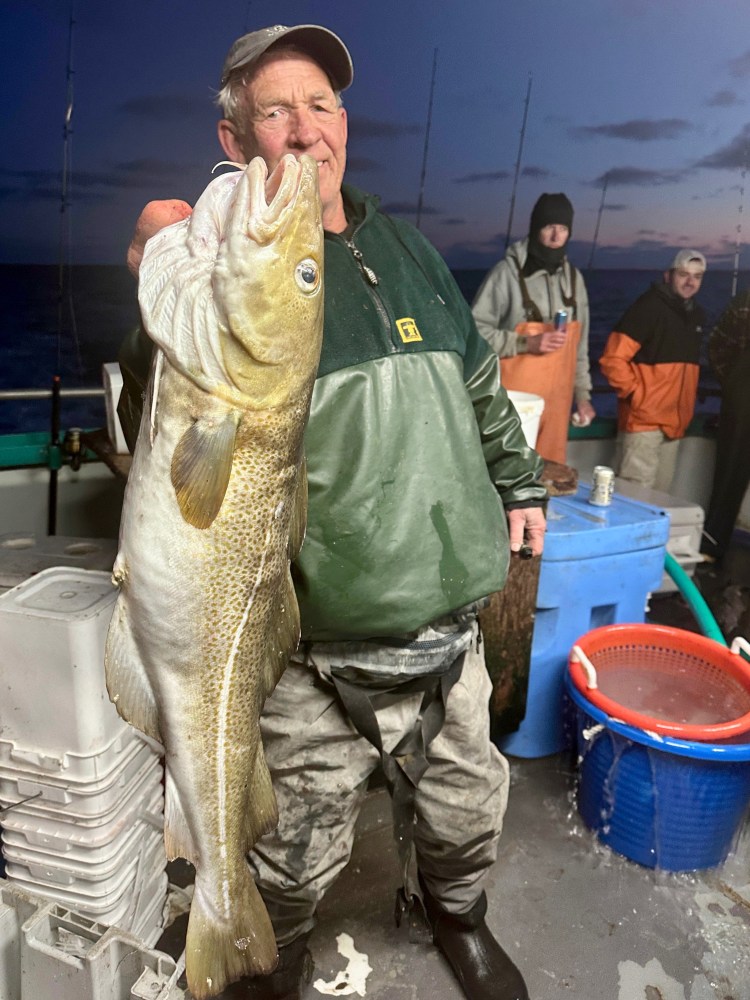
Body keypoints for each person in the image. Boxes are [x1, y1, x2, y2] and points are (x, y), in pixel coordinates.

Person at [118, 23, 548, 1000]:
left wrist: (518, 483)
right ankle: (271, 958)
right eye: (277, 110)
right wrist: (154, 309)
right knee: (289, 853)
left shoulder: (410, 248)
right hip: (317, 657)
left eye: (323, 105)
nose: (307, 129)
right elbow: (178, 431)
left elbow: (481, 381)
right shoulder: (229, 264)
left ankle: (459, 917)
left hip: (451, 628)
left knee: (466, 809)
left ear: (346, 125)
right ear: (234, 140)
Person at [470, 192, 596, 464]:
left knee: (547, 481)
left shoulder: (575, 280)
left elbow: (580, 347)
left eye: (562, 229)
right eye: (549, 227)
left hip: (557, 412)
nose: (555, 236)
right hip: (513, 408)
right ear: (535, 228)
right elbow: (474, 333)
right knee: (506, 474)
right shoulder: (505, 274)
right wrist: (526, 343)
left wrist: (583, 396)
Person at [599, 249, 707, 492]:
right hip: (643, 424)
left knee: (660, 499)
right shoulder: (648, 307)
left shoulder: (696, 315)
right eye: (683, 274)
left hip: (674, 423)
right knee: (634, 501)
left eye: (697, 277)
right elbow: (611, 359)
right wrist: (639, 396)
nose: (690, 282)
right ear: (668, 275)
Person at [700, 289, 750, 563]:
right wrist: (732, 384)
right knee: (730, 474)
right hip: (743, 400)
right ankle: (712, 546)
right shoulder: (745, 300)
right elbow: (717, 343)